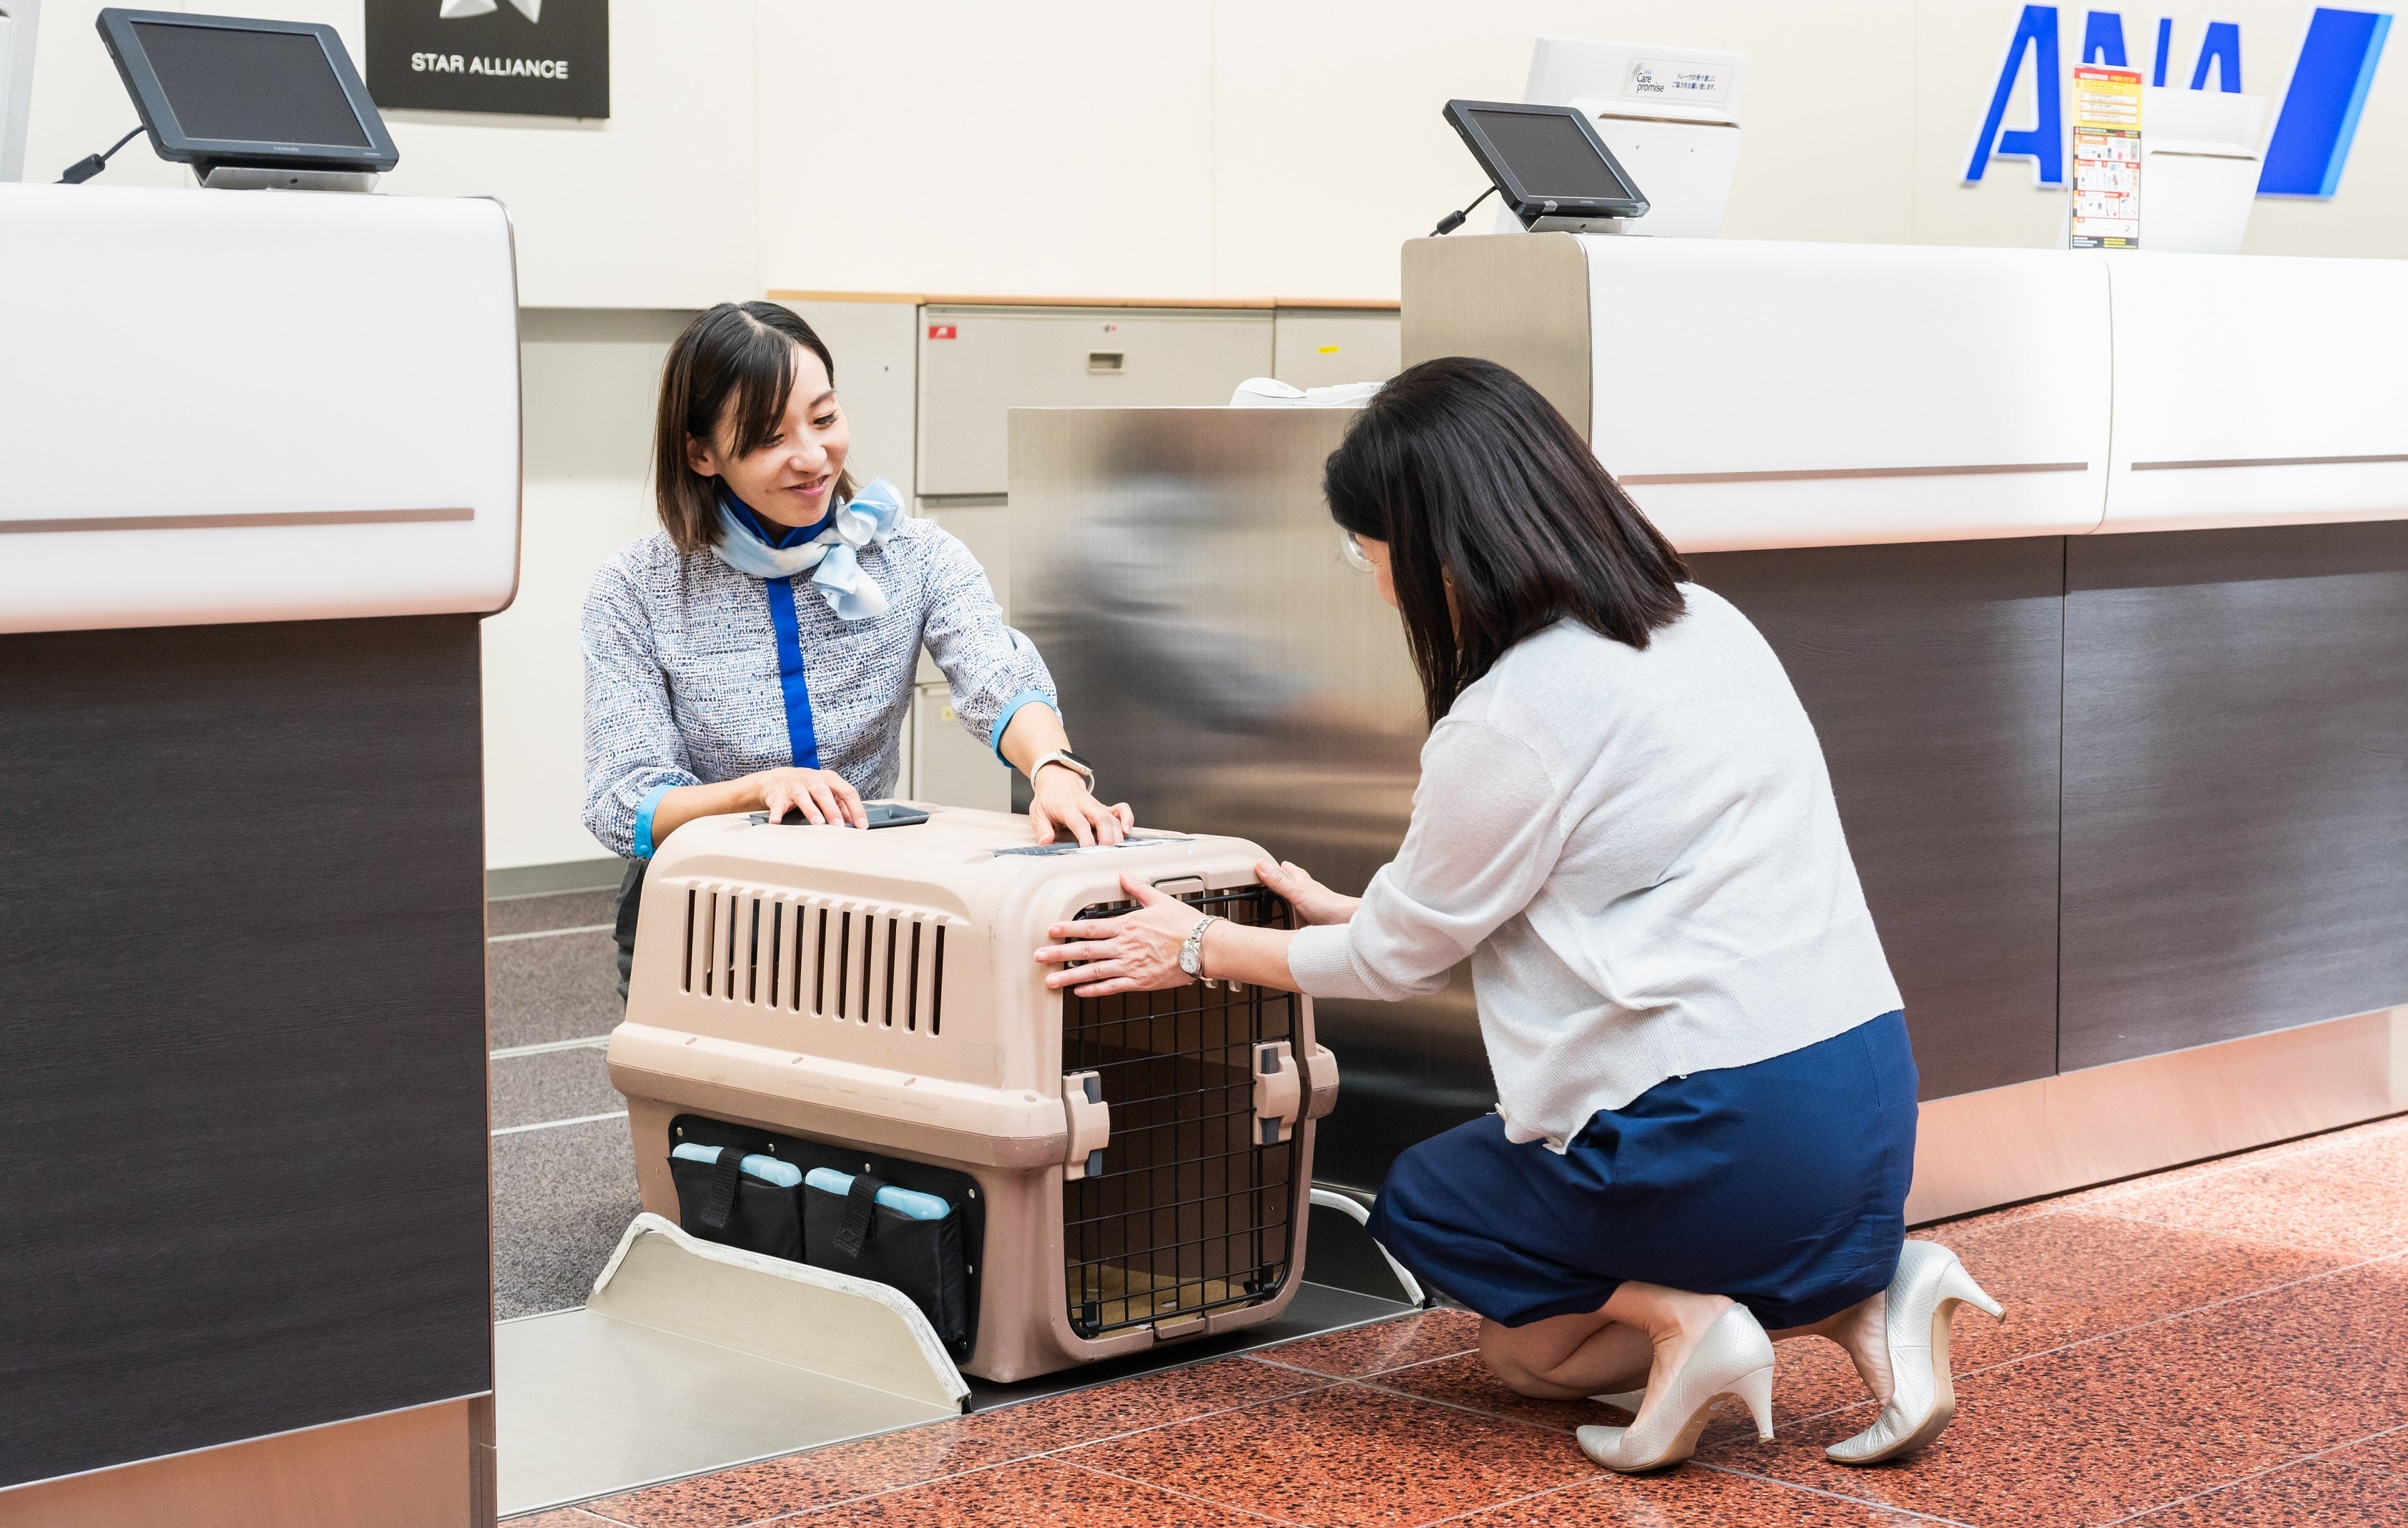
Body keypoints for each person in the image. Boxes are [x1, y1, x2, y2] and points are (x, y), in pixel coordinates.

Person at [1033, 357, 2002, 1474]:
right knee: (1522, 1363)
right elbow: (1574, 904)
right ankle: (1858, 1292)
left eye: (1368, 553)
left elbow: (1397, 960)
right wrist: (1353, 912)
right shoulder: (1709, 624)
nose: (1374, 579)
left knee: (1433, 1199)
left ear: (1436, 546)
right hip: (1867, 1103)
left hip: (1724, 1131)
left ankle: (1692, 1317)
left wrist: (1194, 946)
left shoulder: (1514, 711)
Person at [584, 301, 1131, 994]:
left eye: (823, 418)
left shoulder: (915, 555)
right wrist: (760, 789)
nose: (812, 457)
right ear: (701, 453)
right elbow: (622, 802)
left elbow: (997, 673)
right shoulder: (636, 587)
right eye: (766, 437)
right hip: (701, 909)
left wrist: (1052, 769)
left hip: (864, 896)